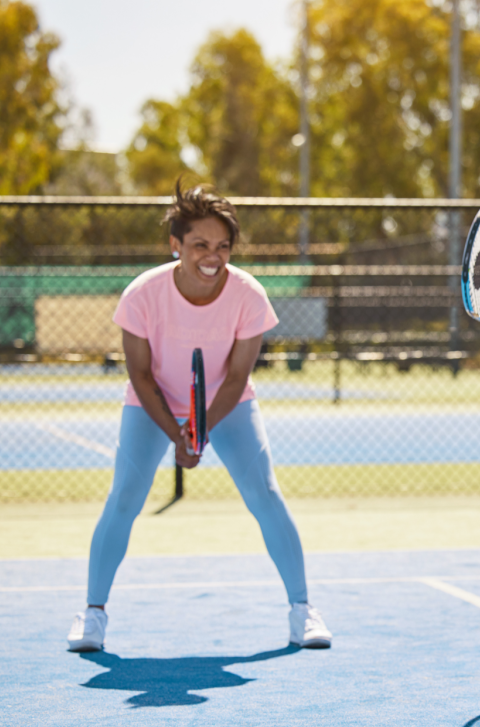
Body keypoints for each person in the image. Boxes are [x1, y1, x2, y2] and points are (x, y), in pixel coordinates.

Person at [66, 181, 332, 653]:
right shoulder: (141, 295)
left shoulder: (249, 295)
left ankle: (302, 611)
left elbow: (235, 379)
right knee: (124, 499)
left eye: (223, 247)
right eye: (200, 245)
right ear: (176, 245)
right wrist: (178, 435)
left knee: (266, 495)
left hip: (227, 406)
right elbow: (142, 377)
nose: (213, 256)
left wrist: (199, 432)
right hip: (152, 406)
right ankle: (92, 615)